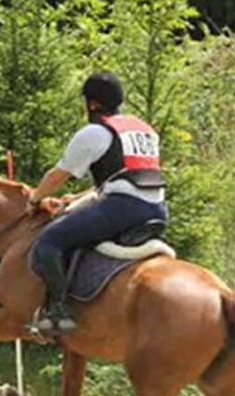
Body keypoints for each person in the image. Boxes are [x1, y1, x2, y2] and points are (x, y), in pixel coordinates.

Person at [26, 71, 168, 335]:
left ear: (92, 104)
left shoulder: (95, 132)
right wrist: (78, 199)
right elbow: (124, 176)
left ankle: (59, 313)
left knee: (50, 242)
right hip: (157, 208)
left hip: (123, 209)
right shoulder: (145, 130)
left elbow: (58, 175)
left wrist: (35, 198)